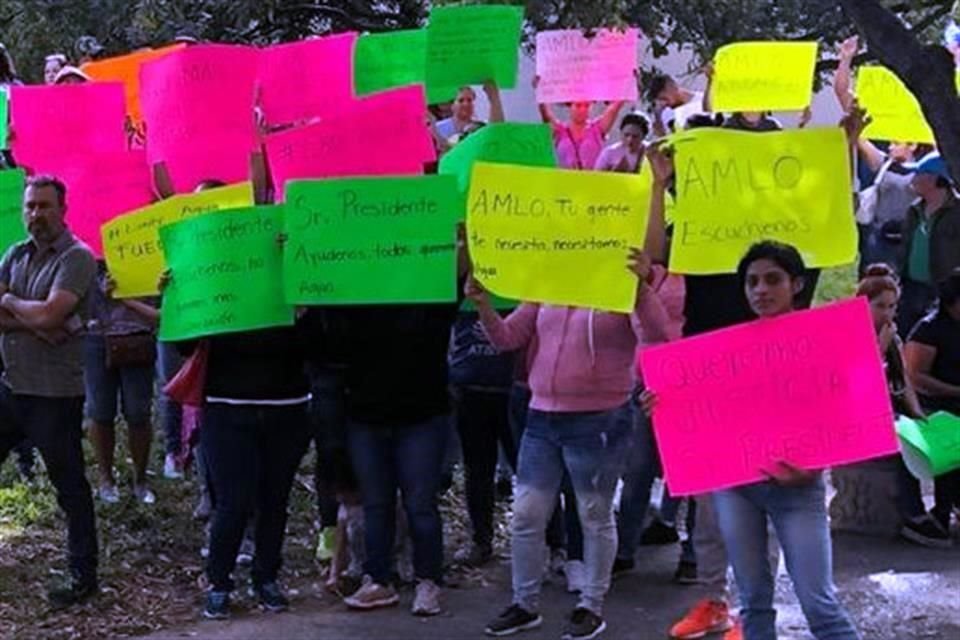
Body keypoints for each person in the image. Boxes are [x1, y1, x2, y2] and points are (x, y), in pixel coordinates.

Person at [642, 241, 862, 640]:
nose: (761, 290)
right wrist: (661, 402)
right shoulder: (727, 350)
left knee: (820, 605)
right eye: (752, 282)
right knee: (753, 603)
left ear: (796, 284)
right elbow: (697, 403)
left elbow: (844, 410)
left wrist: (814, 467)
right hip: (737, 487)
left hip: (798, 490)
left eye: (772, 280)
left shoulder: (820, 340)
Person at [476, 249, 671, 640]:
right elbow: (508, 337)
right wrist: (483, 305)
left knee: (594, 515)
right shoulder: (550, 281)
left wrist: (640, 289)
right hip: (541, 417)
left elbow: (655, 334)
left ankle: (590, 607)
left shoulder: (618, 283)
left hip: (599, 420)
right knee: (527, 515)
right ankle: (524, 604)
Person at [328, 242, 469, 617]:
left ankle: (428, 581)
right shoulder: (354, 299)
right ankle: (378, 580)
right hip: (366, 416)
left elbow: (458, 275)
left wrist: (463, 239)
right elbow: (326, 337)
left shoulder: (431, 297)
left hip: (421, 417)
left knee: (420, 504)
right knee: (376, 503)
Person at [167, 315, 317, 619]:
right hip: (227, 405)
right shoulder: (216, 272)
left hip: (286, 405)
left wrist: (306, 314)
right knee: (233, 501)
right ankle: (219, 583)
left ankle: (266, 578)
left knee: (274, 500)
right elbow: (183, 343)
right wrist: (178, 296)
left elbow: (321, 346)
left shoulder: (298, 273)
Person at [0, 175, 98, 606]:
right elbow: (42, 320)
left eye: (44, 206)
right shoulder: (14, 254)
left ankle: (83, 574)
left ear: (63, 209)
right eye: (30, 207)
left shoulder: (78, 258)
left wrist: (10, 304)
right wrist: (35, 320)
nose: (36, 215)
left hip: (54, 394)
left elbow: (52, 313)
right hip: (11, 385)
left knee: (69, 486)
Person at [854, 265, 947, 547]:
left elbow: (903, 382)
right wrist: (878, 347)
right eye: (879, 306)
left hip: (891, 410)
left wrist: (918, 413)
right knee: (903, 446)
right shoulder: (853, 336)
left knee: (937, 433)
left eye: (892, 306)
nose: (887, 312)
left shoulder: (893, 337)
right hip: (860, 412)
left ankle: (944, 508)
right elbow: (859, 384)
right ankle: (912, 513)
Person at [448, 302, 518, 567]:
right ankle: (480, 540)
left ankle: (554, 544)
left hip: (513, 390)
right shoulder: (457, 287)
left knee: (532, 473)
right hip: (470, 390)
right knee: (477, 471)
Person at [85, 263, 159, 505]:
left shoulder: (143, 241)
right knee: (100, 411)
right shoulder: (85, 251)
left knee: (138, 412)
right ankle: (105, 478)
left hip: (137, 334)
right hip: (97, 336)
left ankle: (140, 479)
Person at [905, 269, 960, 535]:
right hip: (934, 407)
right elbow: (916, 377)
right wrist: (955, 391)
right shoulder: (930, 329)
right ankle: (941, 512)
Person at [897, 153, 960, 338]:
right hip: (910, 287)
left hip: (942, 291)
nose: (913, 179)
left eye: (918, 174)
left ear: (934, 179)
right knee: (904, 335)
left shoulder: (957, 213)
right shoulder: (913, 209)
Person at [536, 79, 626, 170]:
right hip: (565, 181)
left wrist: (628, 82)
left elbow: (614, 109)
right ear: (570, 106)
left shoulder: (597, 129)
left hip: (591, 181)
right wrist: (539, 89)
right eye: (578, 106)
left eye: (586, 106)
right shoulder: (560, 131)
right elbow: (546, 115)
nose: (583, 110)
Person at [434, 82, 504, 150]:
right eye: (461, 100)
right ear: (452, 105)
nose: (466, 104)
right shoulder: (438, 128)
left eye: (469, 100)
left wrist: (493, 97)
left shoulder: (480, 127)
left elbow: (497, 130)